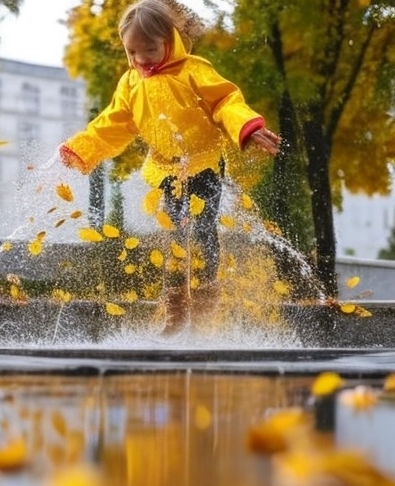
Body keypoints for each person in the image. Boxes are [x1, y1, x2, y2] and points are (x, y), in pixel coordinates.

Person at [58, 0, 280, 333]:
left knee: (202, 230)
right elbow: (112, 123)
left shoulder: (192, 70)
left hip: (204, 162)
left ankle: (204, 307)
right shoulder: (130, 83)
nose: (140, 59)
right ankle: (175, 311)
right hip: (167, 169)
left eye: (149, 49)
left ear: (170, 39)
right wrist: (81, 149)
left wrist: (247, 127)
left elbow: (225, 101)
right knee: (177, 234)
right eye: (132, 52)